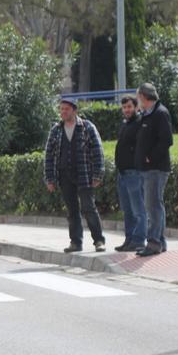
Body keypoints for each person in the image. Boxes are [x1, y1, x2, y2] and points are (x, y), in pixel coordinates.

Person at [43, 97, 107, 253]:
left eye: (66, 109)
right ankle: (75, 242)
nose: (63, 112)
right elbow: (49, 156)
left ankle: (99, 240)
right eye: (61, 109)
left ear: (74, 110)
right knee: (72, 210)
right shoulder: (56, 130)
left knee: (88, 207)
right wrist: (49, 178)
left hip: (84, 174)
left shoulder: (87, 127)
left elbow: (98, 152)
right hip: (64, 175)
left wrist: (98, 175)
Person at [134, 82, 173, 257]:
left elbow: (167, 140)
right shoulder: (147, 114)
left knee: (153, 206)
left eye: (138, 97)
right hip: (148, 169)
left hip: (156, 168)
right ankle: (160, 241)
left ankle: (153, 242)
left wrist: (151, 157)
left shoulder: (160, 113)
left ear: (143, 96)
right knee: (155, 205)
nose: (138, 100)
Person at [114, 95, 147, 252]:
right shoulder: (125, 124)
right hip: (122, 174)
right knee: (127, 210)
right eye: (124, 107)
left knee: (138, 209)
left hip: (134, 173)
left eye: (129, 107)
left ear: (136, 107)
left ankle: (139, 240)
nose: (127, 110)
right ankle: (129, 239)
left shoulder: (140, 123)